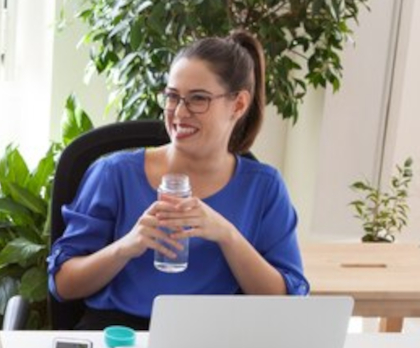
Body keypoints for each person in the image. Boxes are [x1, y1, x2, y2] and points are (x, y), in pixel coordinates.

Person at [49, 30, 310, 330]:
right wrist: (127, 245)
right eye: (173, 97)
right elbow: (63, 284)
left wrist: (226, 234)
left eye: (198, 99)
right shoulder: (114, 174)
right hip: (117, 336)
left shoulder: (264, 188)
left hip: (211, 343)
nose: (179, 113)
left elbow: (288, 301)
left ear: (238, 105)